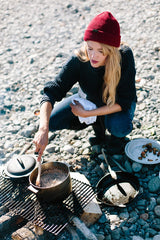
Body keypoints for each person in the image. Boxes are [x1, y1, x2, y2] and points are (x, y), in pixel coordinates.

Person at [33, 11, 137, 161]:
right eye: (90, 48)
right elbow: (51, 92)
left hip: (117, 102)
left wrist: (86, 114)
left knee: (119, 126)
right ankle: (98, 126)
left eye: (101, 51)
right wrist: (43, 129)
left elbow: (124, 101)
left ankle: (116, 139)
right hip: (89, 100)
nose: (93, 56)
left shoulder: (124, 56)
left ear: (111, 50)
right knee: (53, 121)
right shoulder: (79, 59)